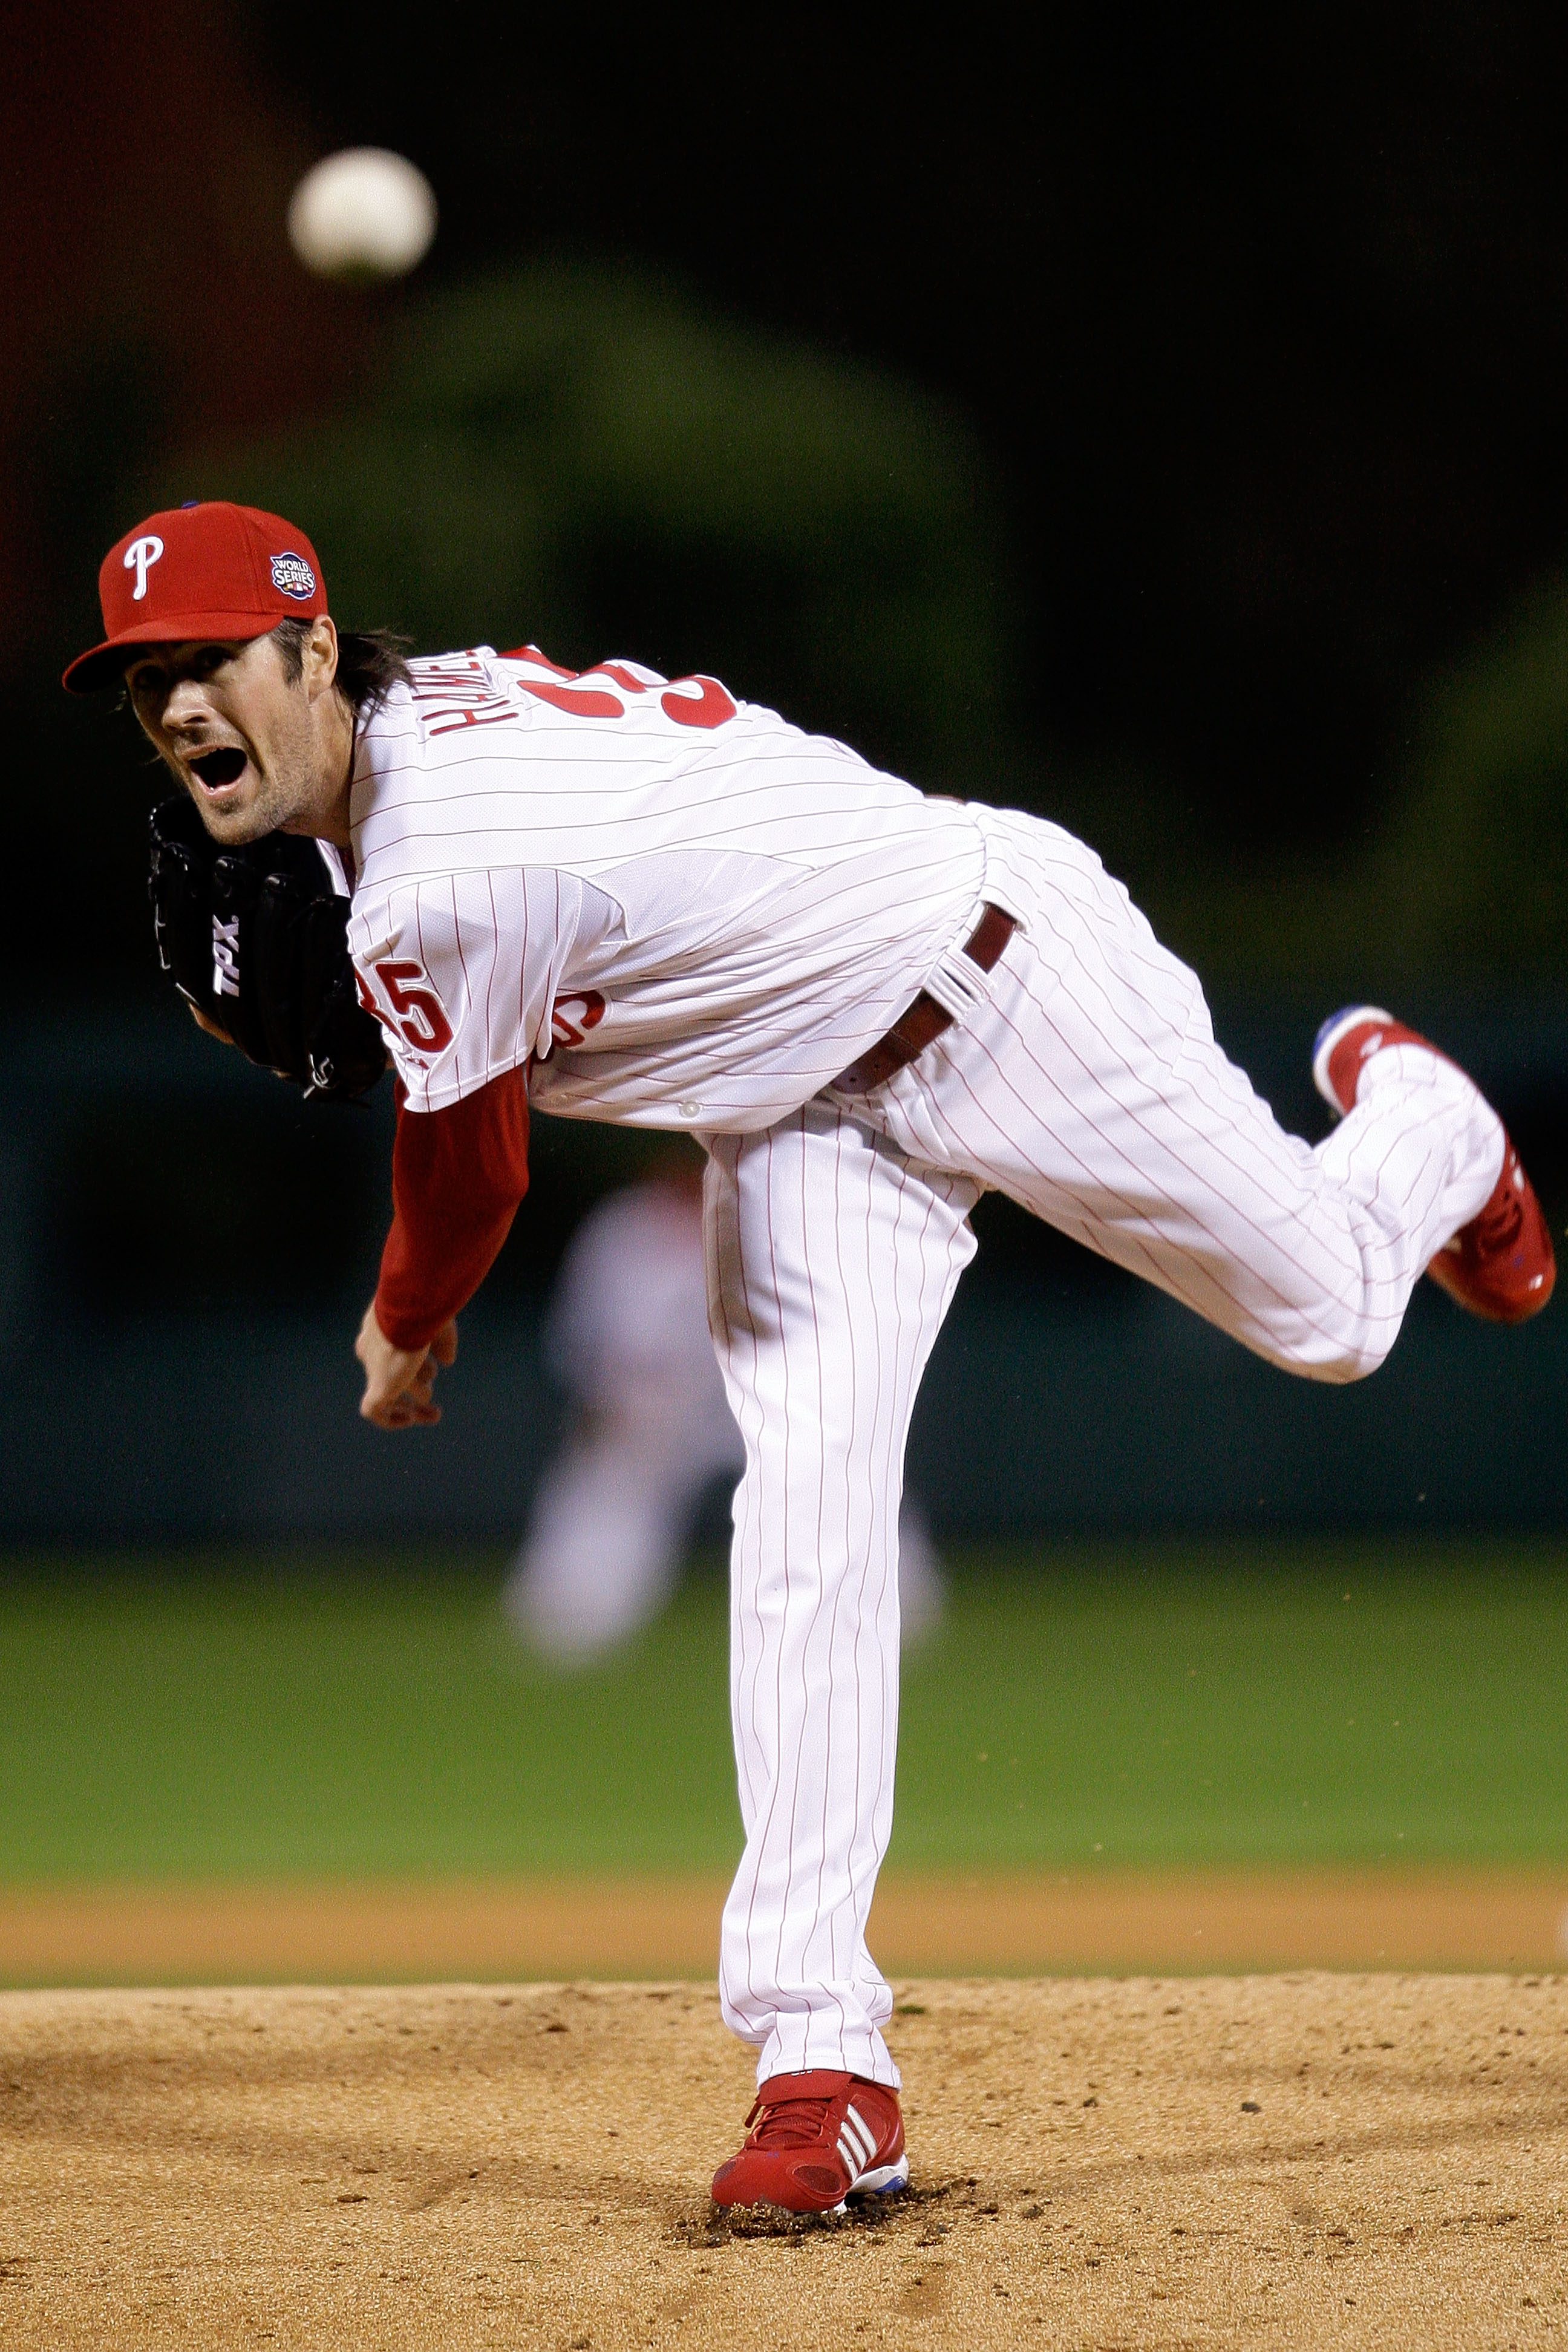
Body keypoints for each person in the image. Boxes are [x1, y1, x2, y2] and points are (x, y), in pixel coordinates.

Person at [67, 500, 1553, 2216]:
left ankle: (1425, 1124)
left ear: (314, 650)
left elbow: (469, 1173)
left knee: (1340, 1319)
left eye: (211, 663)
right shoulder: (399, 743)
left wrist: (405, 1327)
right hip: (800, 1116)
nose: (178, 708)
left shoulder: (441, 872)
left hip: (999, 983)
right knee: (806, 1529)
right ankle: (821, 2064)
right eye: (146, 681)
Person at [505, 1145, 946, 1660]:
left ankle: (895, 1606)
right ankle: (572, 1615)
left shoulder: (765, 1214)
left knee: (838, 1466)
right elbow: (584, 1335)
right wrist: (607, 1399)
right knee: (609, 1479)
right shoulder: (621, 1230)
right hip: (657, 1404)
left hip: (753, 1394)